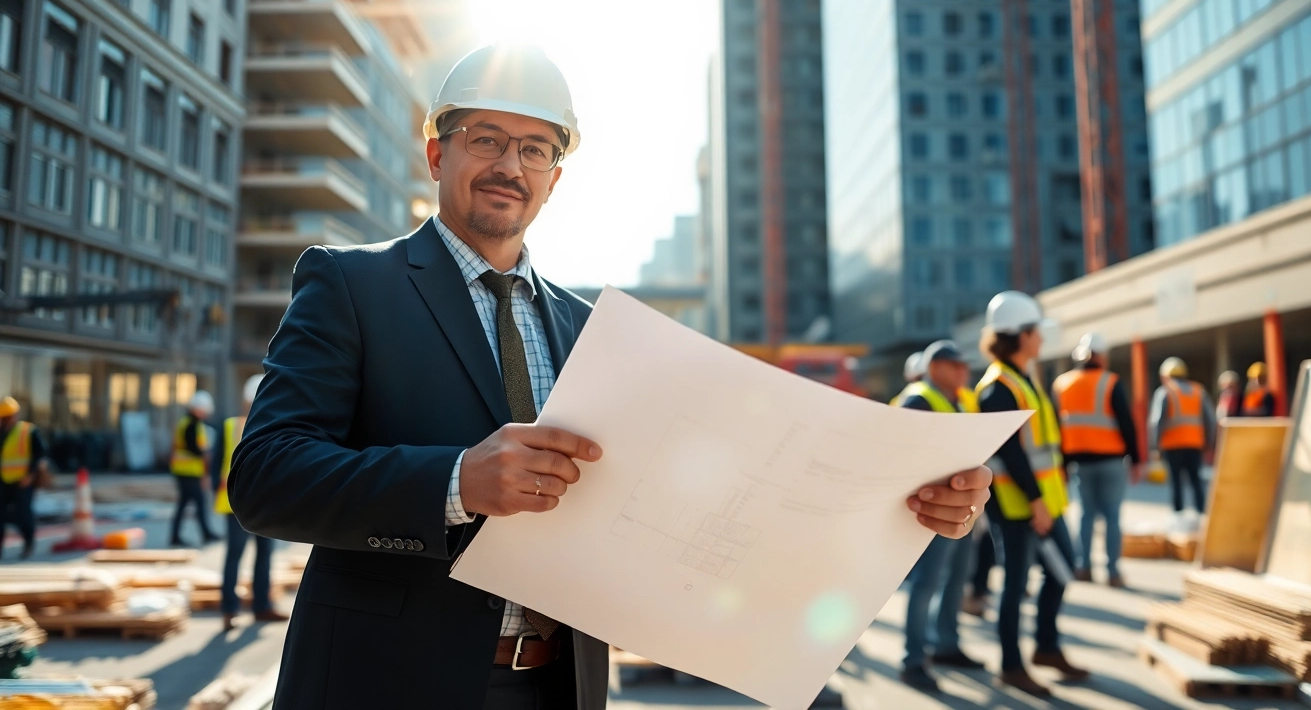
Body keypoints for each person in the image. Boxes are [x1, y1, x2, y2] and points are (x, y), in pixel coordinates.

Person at [227, 45, 994, 710]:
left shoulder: (594, 329)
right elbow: (265, 476)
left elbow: (711, 499)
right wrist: (456, 481)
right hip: (386, 685)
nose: (509, 165)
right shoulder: (351, 286)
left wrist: (900, 508)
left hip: (558, 686)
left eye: (535, 149)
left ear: (555, 178)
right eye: (485, 138)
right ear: (436, 154)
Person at [977, 291, 1088, 697]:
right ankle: (1011, 665)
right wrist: (1036, 502)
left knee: (1063, 571)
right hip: (1018, 506)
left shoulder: (1025, 378)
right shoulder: (997, 388)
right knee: (1015, 585)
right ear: (1022, 335)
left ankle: (1045, 646)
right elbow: (1011, 453)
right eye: (1036, 331)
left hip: (1046, 502)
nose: (1041, 338)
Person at [894, 340, 985, 694]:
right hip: (930, 512)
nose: (964, 371)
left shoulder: (958, 401)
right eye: (956, 365)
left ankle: (946, 644)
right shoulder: (918, 399)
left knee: (956, 577)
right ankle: (912, 660)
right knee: (926, 583)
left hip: (960, 509)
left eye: (965, 365)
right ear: (936, 368)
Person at [1053, 333, 1139, 588]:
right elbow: (1126, 423)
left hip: (1079, 462)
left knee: (1086, 516)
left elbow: (1057, 429)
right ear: (1100, 356)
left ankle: (1084, 568)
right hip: (1111, 460)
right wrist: (1136, 459)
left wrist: (1063, 463)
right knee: (1112, 516)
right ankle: (1112, 573)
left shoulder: (1061, 384)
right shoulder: (1110, 381)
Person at [215, 375, 288, 631]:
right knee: (238, 555)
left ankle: (259, 606)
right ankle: (231, 609)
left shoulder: (273, 425)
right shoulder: (235, 426)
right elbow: (217, 466)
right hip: (237, 503)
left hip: (261, 502)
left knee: (262, 555)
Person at [1149, 358, 1216, 515]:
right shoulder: (1198, 390)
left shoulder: (1165, 392)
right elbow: (1211, 420)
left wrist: (1155, 446)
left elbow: (1157, 421)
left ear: (1165, 375)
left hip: (1173, 446)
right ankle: (1202, 514)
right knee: (1196, 481)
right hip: (1194, 445)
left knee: (1176, 482)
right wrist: (1208, 443)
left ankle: (1178, 516)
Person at [170, 390, 220, 547]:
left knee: (184, 504)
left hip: (187, 471)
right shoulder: (191, 425)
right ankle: (205, 533)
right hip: (188, 472)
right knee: (198, 503)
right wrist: (205, 452)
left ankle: (176, 536)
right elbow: (194, 448)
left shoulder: (190, 423)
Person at [0, 397, 46, 560]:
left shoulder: (28, 431)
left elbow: (39, 454)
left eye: (7, 417)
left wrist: (30, 475)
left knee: (23, 514)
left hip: (23, 481)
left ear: (15, 415)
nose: (4, 421)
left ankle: (28, 543)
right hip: (3, 481)